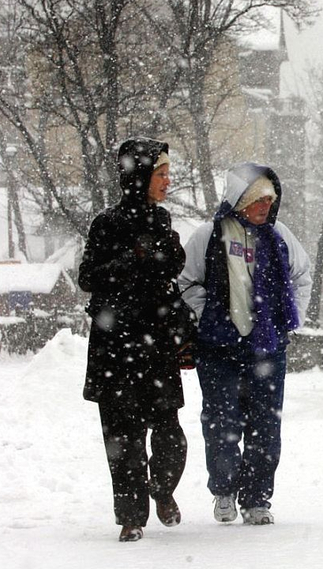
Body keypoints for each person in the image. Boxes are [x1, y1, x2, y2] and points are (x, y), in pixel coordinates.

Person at [178, 163, 312, 526]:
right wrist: (211, 317)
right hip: (219, 350)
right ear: (239, 200)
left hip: (268, 348)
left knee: (266, 426)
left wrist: (288, 320)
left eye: (270, 197)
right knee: (221, 423)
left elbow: (302, 275)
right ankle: (224, 490)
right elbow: (187, 283)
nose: (266, 204)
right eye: (258, 198)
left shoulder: (279, 235)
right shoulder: (209, 235)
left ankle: (257, 498)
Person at [79, 138, 192, 543]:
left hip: (157, 344)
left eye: (166, 174)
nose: (167, 180)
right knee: (123, 438)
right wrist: (132, 258)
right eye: (161, 174)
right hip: (116, 347)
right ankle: (131, 516)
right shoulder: (106, 224)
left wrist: (182, 331)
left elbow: (170, 274)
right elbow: (88, 278)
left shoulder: (162, 220)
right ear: (139, 176)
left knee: (169, 436)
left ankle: (162, 490)